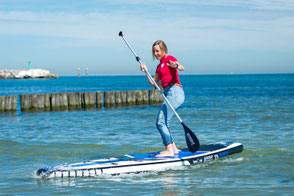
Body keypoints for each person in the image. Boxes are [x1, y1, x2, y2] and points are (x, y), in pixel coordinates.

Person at [140, 40, 185, 157]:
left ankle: (168, 150)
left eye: (157, 51)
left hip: (175, 91)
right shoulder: (159, 67)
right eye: (154, 51)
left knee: (160, 122)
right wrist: (146, 72)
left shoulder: (169, 58)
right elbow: (153, 84)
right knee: (164, 122)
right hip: (168, 93)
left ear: (163, 50)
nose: (155, 53)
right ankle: (174, 149)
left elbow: (181, 67)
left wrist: (175, 65)